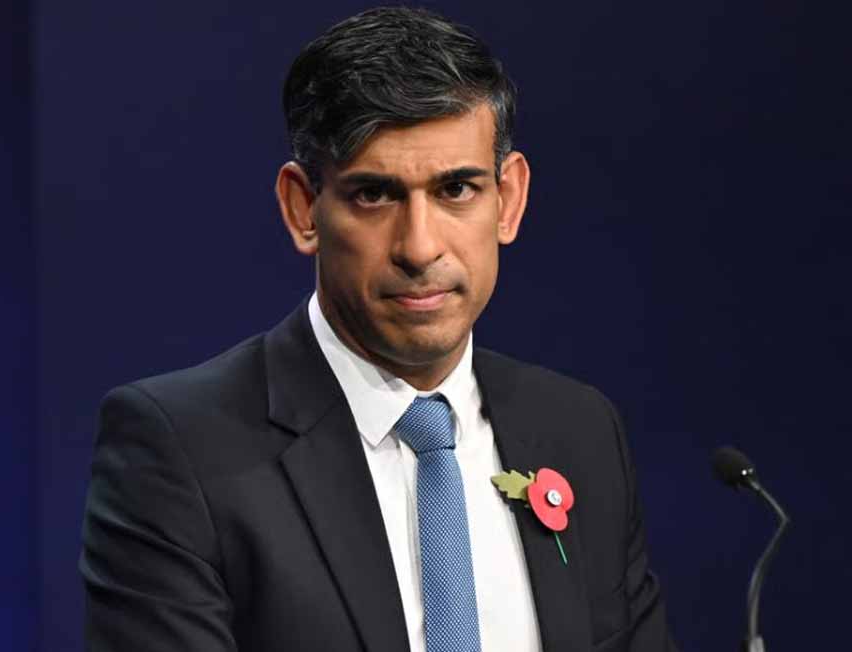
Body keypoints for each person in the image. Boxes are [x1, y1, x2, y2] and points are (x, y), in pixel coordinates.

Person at [80, 6, 676, 652]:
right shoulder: (183, 452)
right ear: (303, 208)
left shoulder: (580, 431)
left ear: (508, 200)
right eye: (374, 195)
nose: (419, 247)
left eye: (456, 189)